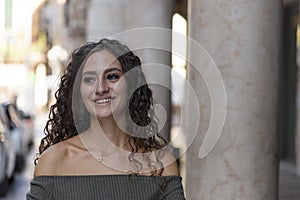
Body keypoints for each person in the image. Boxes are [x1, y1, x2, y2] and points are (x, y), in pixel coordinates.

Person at [26, 38, 185, 200]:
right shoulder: (54, 161)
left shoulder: (161, 165)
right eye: (89, 79)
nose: (101, 88)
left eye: (112, 77)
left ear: (130, 85)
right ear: (78, 92)